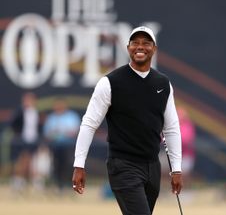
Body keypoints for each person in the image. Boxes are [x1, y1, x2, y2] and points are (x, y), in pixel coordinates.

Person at [72, 26, 182, 215]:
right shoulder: (110, 83)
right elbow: (89, 124)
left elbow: (171, 128)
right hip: (123, 165)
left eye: (146, 43)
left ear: (154, 48)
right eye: (135, 43)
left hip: (152, 166)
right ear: (128, 47)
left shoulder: (163, 84)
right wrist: (79, 164)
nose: (140, 47)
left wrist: (176, 170)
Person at [43, 97, 80, 192]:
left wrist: (61, 133)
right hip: (55, 146)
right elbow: (47, 133)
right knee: (56, 166)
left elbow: (75, 131)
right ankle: (58, 185)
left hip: (68, 146)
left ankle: (69, 185)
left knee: (68, 165)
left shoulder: (72, 116)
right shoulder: (51, 118)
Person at [9, 92, 41, 193]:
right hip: (22, 141)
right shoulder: (19, 111)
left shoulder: (36, 112)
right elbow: (13, 123)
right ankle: (18, 184)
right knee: (22, 162)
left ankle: (32, 185)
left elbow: (37, 127)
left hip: (33, 140)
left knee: (31, 163)